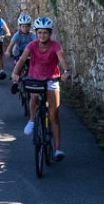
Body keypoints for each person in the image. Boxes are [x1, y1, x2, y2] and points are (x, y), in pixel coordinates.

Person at [10, 16, 69, 161]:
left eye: (45, 33)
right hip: (35, 78)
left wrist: (66, 72)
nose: (42, 35)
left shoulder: (55, 45)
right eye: (40, 32)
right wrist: (15, 73)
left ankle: (57, 149)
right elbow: (23, 59)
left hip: (51, 80)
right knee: (34, 99)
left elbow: (61, 60)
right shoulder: (32, 45)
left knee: (54, 115)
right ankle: (31, 120)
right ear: (36, 33)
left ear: (50, 33)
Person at [6, 13, 36, 92]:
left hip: (30, 53)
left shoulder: (32, 35)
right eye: (23, 26)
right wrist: (8, 51)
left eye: (27, 26)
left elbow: (37, 44)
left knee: (33, 66)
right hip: (18, 52)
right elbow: (11, 44)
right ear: (20, 27)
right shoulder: (17, 35)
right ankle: (15, 82)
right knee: (19, 66)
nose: (25, 28)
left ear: (30, 27)